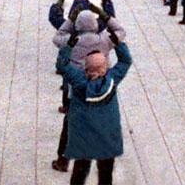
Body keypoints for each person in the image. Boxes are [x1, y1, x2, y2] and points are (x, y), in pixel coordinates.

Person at [54, 27, 133, 185]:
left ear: (86, 67)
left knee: (80, 171)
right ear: (105, 67)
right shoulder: (112, 79)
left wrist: (68, 46)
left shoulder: (78, 80)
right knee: (105, 173)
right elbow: (125, 61)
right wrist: (118, 43)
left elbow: (62, 65)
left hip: (84, 137)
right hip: (107, 137)